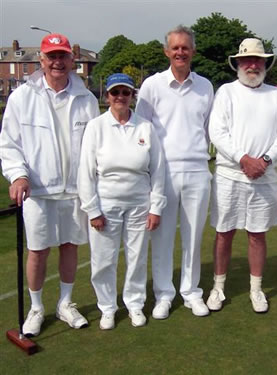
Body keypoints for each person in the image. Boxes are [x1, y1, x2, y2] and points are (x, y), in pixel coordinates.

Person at [0, 33, 99, 336]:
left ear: (72, 60)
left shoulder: (87, 98)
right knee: (38, 250)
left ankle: (65, 304)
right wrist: (18, 175)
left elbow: (95, 147)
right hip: (39, 190)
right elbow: (9, 144)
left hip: (75, 189)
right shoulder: (22, 97)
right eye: (51, 56)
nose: (58, 62)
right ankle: (36, 308)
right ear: (41, 60)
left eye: (63, 56)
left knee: (70, 247)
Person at [207, 38, 277, 313]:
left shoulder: (276, 95)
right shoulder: (226, 92)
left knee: (257, 235)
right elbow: (217, 132)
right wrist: (244, 159)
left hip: (264, 176)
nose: (253, 65)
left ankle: (256, 289)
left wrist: (264, 161)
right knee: (224, 233)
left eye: (258, 60)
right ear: (238, 64)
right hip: (230, 175)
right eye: (248, 60)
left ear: (265, 64)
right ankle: (218, 287)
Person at [135, 25, 214, 318]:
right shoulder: (152, 86)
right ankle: (164, 294)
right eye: (175, 48)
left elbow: (208, 130)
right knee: (163, 236)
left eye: (185, 48)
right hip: (162, 172)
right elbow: (141, 134)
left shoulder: (205, 86)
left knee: (193, 236)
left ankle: (191, 292)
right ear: (167, 51)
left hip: (197, 169)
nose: (180, 52)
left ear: (192, 51)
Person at [78, 73, 166, 330]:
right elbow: (85, 172)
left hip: (140, 203)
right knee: (103, 260)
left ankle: (135, 304)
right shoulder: (96, 127)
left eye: (125, 93)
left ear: (132, 97)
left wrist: (156, 207)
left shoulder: (145, 127)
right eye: (115, 93)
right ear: (107, 96)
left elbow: (158, 170)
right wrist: (92, 209)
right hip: (106, 204)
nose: (120, 97)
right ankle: (107, 307)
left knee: (137, 257)